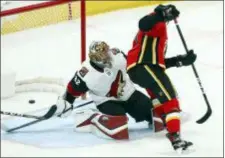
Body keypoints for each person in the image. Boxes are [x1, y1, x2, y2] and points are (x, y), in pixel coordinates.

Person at [126, 4, 196, 152]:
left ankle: (167, 125)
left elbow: (159, 62)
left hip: (142, 69)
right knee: (171, 99)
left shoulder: (157, 34)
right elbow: (143, 23)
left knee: (160, 100)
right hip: (144, 67)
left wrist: (180, 60)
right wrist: (161, 14)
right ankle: (175, 138)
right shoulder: (156, 23)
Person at [54, 41, 156, 140]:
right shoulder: (86, 73)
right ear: (95, 58)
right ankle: (93, 119)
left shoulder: (117, 55)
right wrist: (66, 103)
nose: (107, 57)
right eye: (102, 56)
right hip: (106, 101)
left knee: (155, 115)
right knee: (119, 126)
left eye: (106, 52)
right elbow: (72, 91)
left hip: (129, 94)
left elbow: (133, 67)